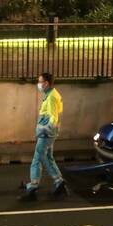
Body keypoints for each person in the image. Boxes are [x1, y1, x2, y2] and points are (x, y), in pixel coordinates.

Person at [20, 72, 67, 202]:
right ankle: (59, 182)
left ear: (46, 83)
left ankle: (33, 186)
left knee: (38, 157)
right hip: (50, 133)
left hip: (46, 133)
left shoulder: (51, 97)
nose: (39, 84)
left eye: (40, 81)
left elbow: (53, 117)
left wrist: (46, 129)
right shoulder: (53, 94)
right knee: (48, 157)